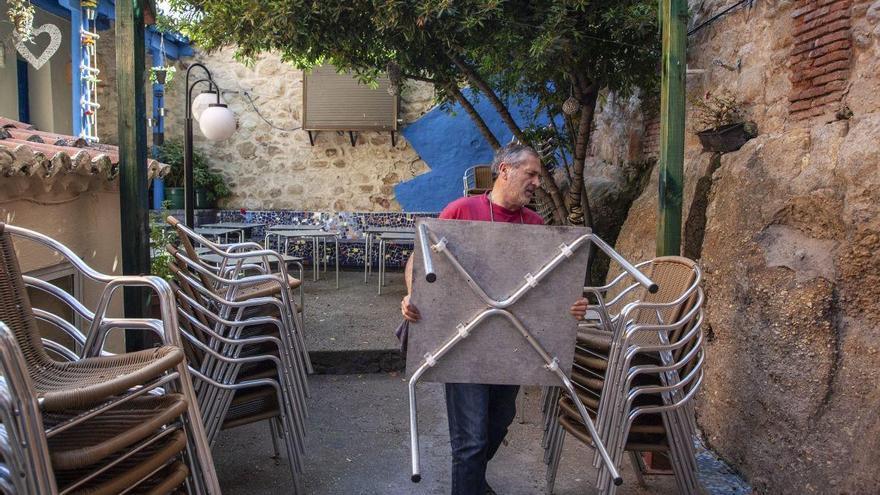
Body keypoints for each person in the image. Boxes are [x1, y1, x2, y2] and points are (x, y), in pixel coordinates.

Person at [401, 143, 590, 495]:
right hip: (462, 343)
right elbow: (420, 258)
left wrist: (572, 305)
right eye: (531, 173)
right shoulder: (462, 210)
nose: (538, 182)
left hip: (511, 345)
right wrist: (414, 294)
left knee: (497, 425)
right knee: (471, 440)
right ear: (504, 170)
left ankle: (471, 479)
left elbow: (550, 287)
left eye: (538, 175)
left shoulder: (535, 224)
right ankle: (469, 482)